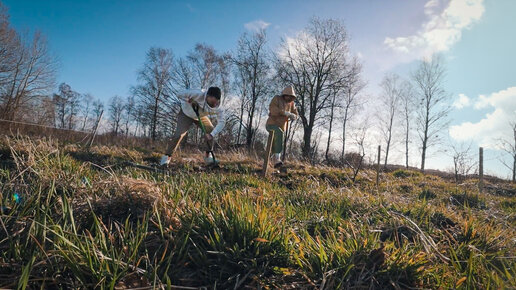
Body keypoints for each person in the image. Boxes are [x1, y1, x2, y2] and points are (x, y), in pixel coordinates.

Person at [160, 87, 225, 166]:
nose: (214, 105)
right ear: (207, 96)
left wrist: (211, 135)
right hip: (186, 114)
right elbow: (179, 94)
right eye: (212, 102)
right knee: (179, 135)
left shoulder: (219, 108)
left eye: (216, 102)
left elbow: (222, 122)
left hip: (200, 116)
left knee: (210, 129)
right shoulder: (197, 93)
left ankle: (208, 157)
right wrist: (188, 100)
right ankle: (167, 157)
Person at [265, 86, 298, 168]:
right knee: (278, 132)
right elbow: (273, 110)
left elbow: (296, 114)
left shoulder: (292, 104)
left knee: (278, 140)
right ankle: (277, 159)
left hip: (282, 126)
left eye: (291, 97)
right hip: (271, 124)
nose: (289, 98)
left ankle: (272, 160)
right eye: (288, 96)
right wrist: (285, 113)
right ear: (284, 95)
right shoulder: (276, 99)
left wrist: (294, 116)